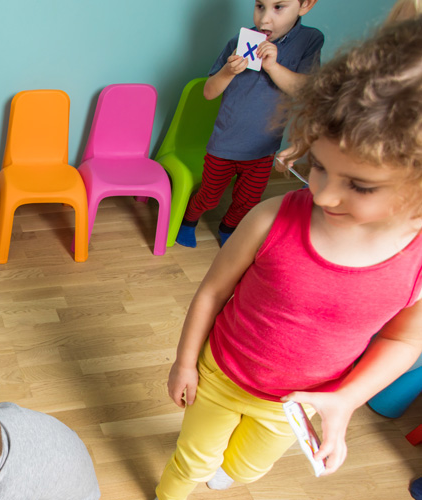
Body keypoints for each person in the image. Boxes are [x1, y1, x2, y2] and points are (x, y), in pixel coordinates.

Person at [158, 17, 422, 500]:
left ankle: (220, 473)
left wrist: (347, 398)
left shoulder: (416, 264)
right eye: (317, 166)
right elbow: (213, 291)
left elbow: (405, 341)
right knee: (191, 458)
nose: (320, 195)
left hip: (293, 407)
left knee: (244, 470)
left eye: (358, 186)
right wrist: (184, 362)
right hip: (222, 375)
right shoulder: (271, 218)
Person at [174, 0, 323, 248]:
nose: (264, 19)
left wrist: (272, 66)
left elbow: (305, 91)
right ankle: (188, 221)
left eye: (278, 7)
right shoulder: (239, 42)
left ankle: (228, 228)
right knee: (209, 197)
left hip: (264, 148)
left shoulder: (310, 40)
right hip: (224, 144)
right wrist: (228, 72)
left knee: (248, 200)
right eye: (259, 6)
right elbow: (209, 92)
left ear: (305, 5)